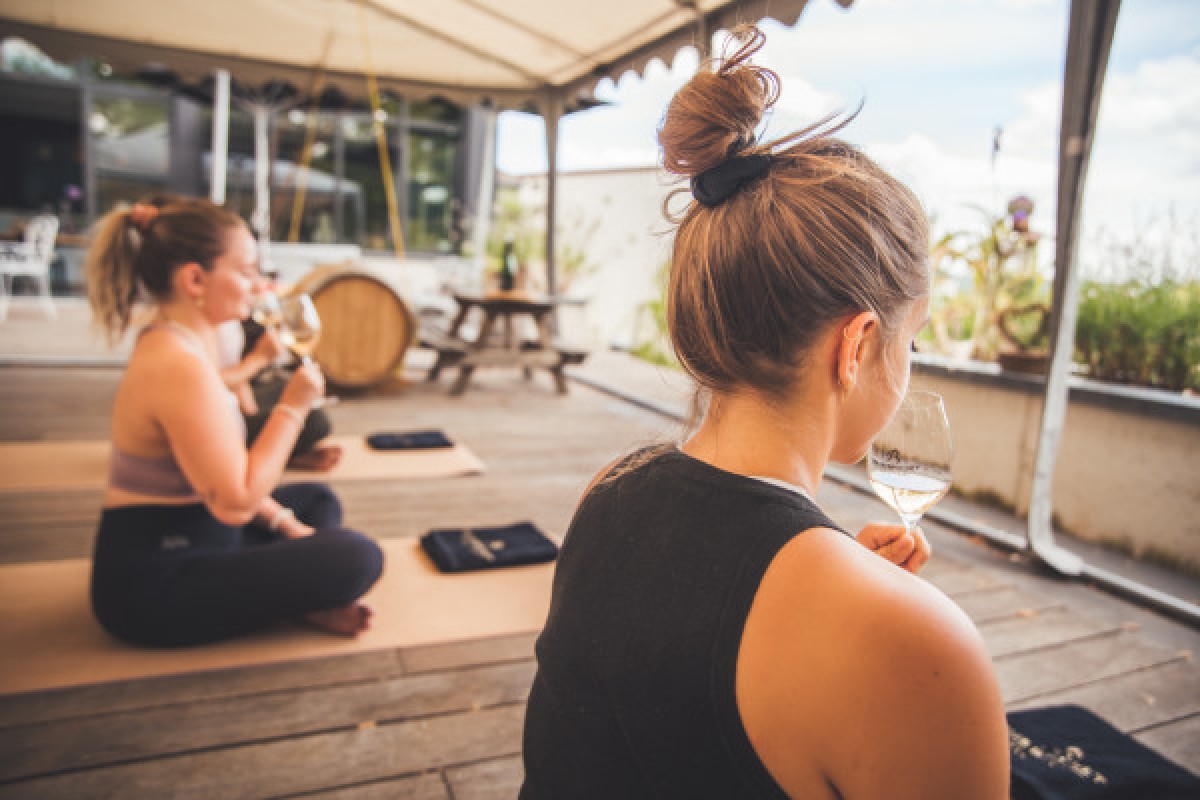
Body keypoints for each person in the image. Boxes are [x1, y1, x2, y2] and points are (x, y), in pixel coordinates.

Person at [520, 26, 1009, 800]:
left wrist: (846, 589)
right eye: (910, 340)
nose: (907, 366)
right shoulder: (921, 647)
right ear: (857, 345)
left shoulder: (609, 492)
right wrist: (861, 612)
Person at [85, 196, 383, 647]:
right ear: (195, 279)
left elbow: (225, 465)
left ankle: (294, 596)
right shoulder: (176, 364)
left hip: (205, 532)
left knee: (316, 501)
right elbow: (237, 501)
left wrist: (285, 524)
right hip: (152, 581)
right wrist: (293, 407)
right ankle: (298, 598)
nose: (258, 284)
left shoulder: (189, 340)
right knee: (358, 557)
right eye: (245, 271)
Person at [216, 316, 343, 472]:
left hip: (229, 402)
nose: (255, 290)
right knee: (315, 421)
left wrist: (251, 412)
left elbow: (235, 373)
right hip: (213, 421)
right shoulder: (195, 328)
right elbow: (207, 383)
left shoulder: (226, 321)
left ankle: (274, 453)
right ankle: (270, 457)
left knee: (290, 388)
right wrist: (258, 359)